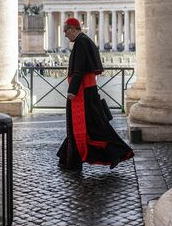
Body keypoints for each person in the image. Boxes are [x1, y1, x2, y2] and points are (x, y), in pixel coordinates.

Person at [57, 17, 134, 170]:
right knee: (87, 126)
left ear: (73, 29)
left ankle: (117, 152)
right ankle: (67, 158)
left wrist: (72, 90)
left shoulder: (81, 42)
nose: (66, 35)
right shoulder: (85, 41)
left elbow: (79, 69)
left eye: (66, 32)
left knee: (93, 126)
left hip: (82, 92)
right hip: (86, 90)